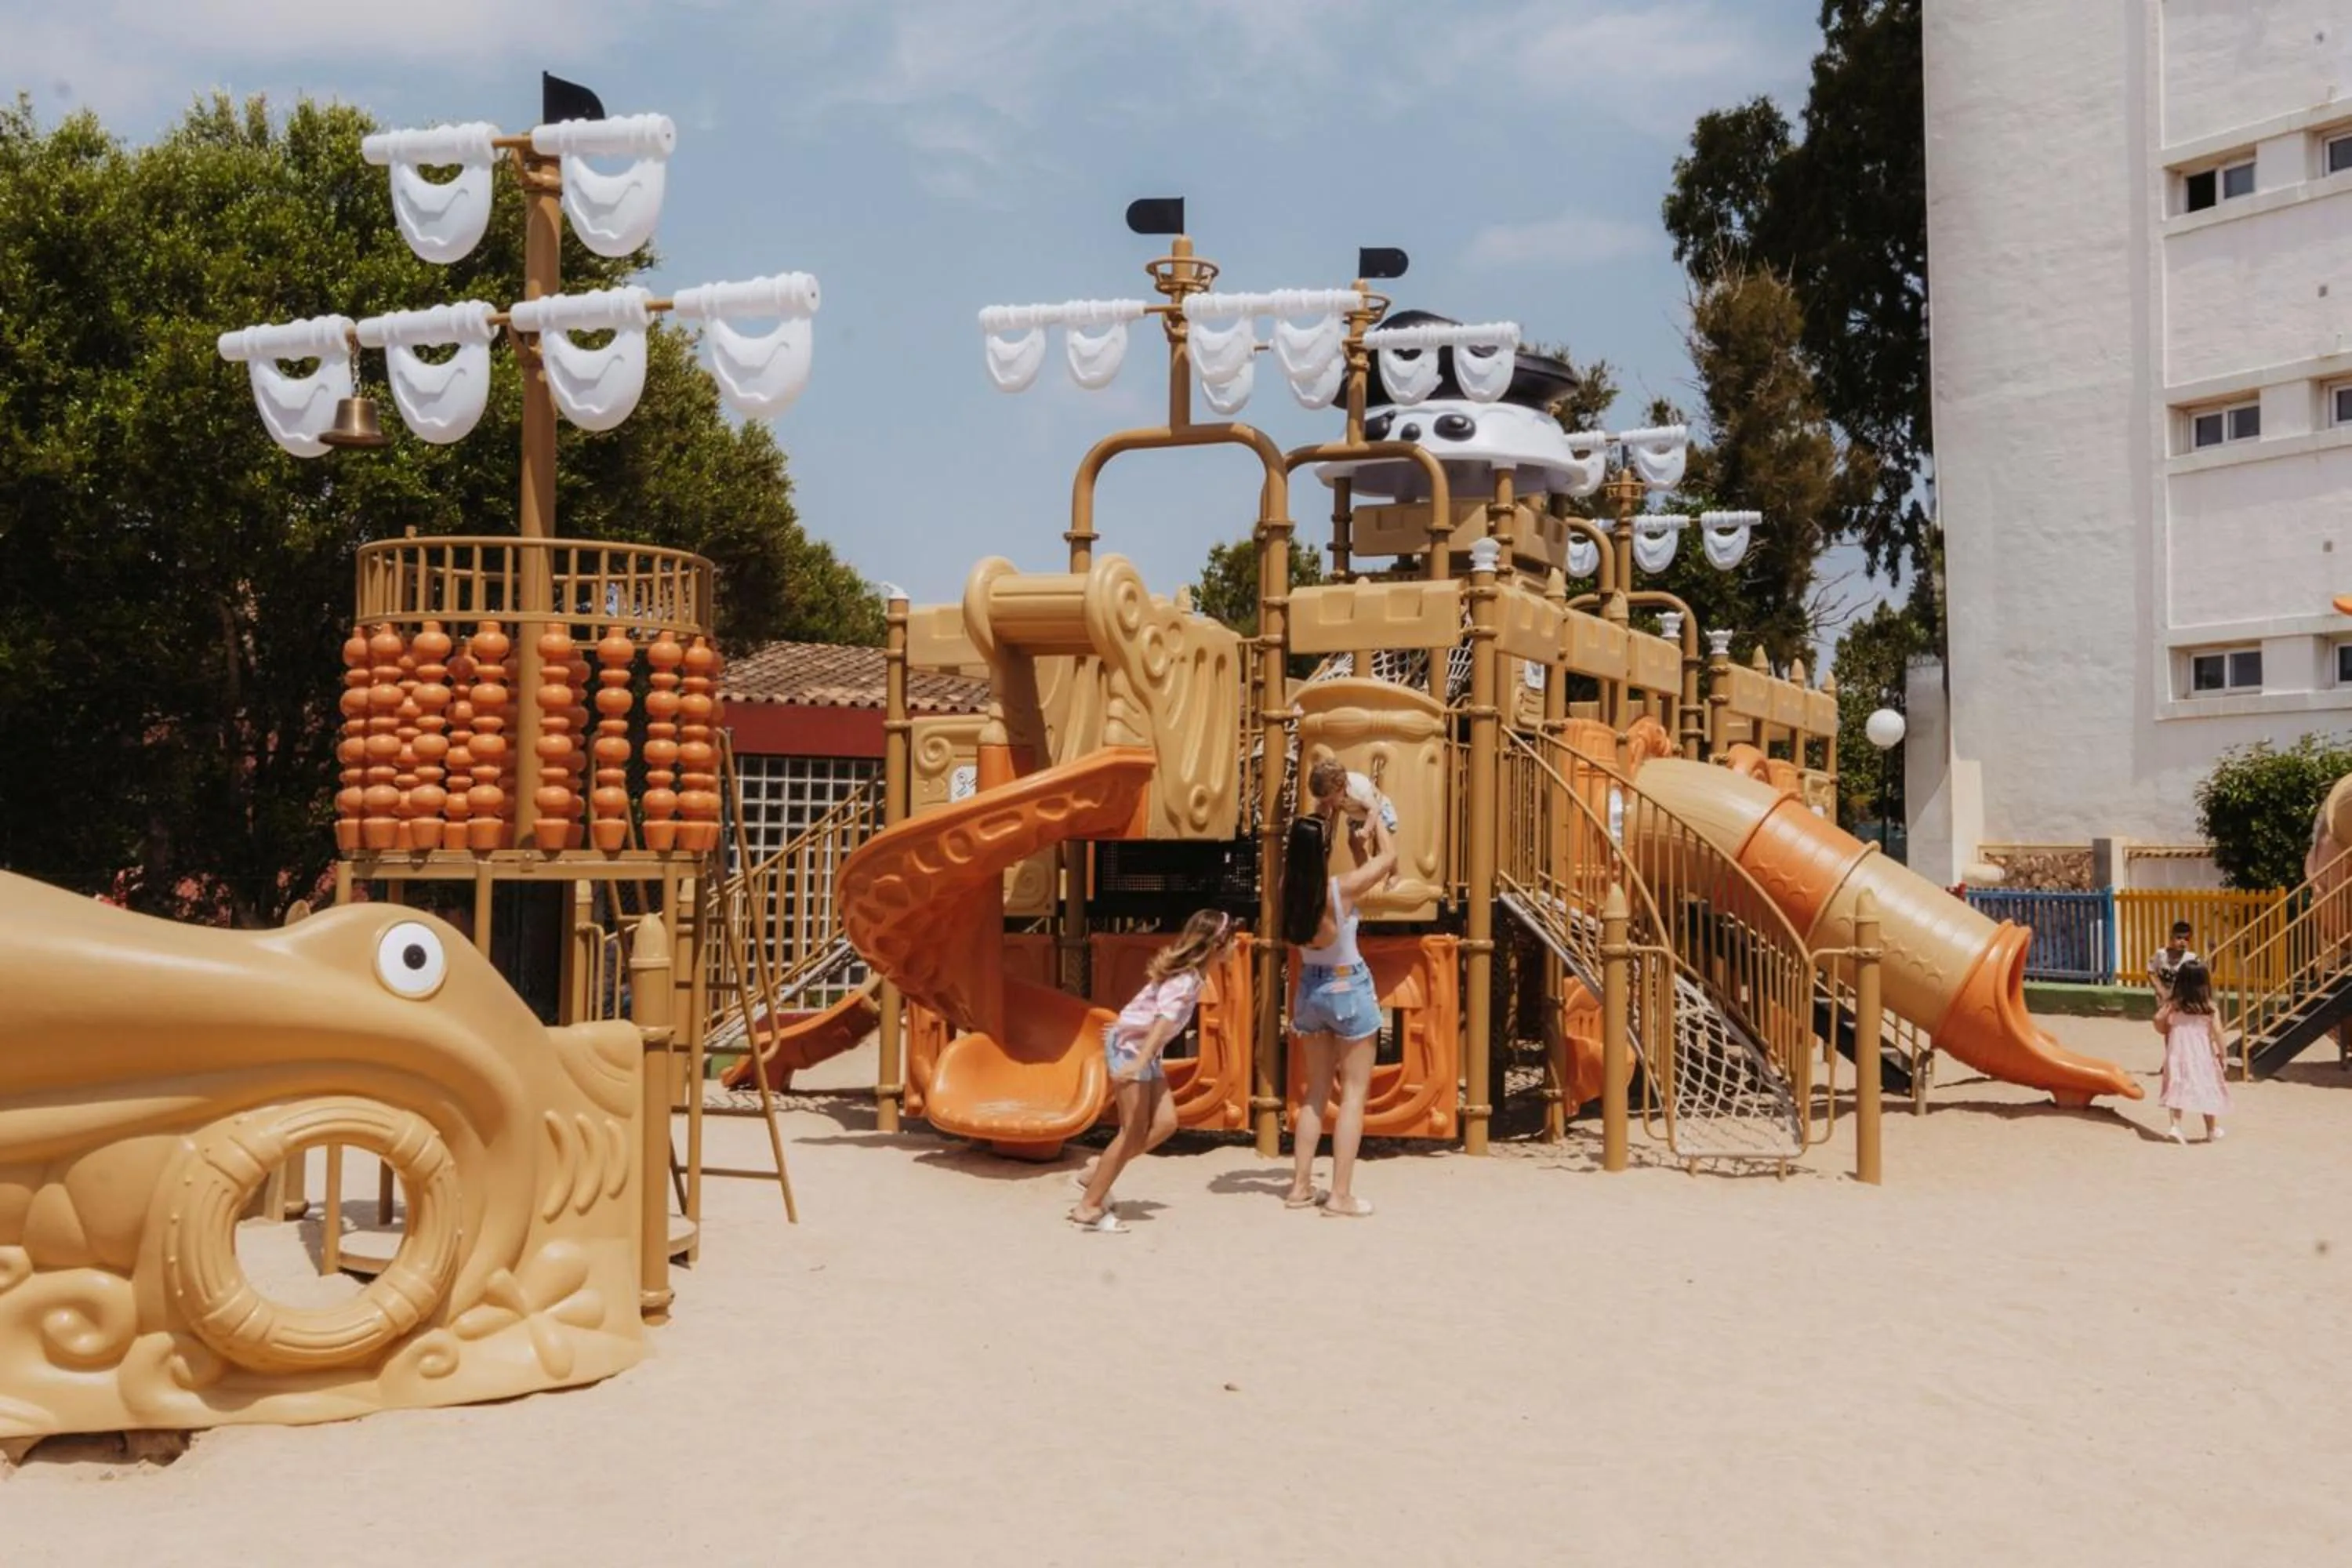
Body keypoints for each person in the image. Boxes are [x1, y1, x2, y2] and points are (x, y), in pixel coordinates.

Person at [1069, 909, 1240, 1233]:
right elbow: (1161, 1023)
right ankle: (1088, 1206)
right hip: (1135, 1051)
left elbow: (1144, 1009)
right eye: (1231, 940)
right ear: (1217, 944)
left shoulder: (1194, 974)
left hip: (1140, 1049)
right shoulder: (1186, 979)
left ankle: (1096, 1174)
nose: (1235, 946)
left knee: (1165, 1124)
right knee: (1132, 1130)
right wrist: (1134, 1059)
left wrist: (1125, 1029)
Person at [1282, 806, 1397, 1218]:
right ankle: (1340, 1194)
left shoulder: (1288, 891)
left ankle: (1299, 1187)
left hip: (1309, 988)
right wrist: (1378, 818)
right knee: (1352, 1094)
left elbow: (1368, 878)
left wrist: (1354, 846)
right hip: (1348, 986)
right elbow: (1389, 862)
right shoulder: (1337, 888)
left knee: (1314, 1093)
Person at [2154, 959, 2230, 1144]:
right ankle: (2211, 1129)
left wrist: (2164, 1028)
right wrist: (2224, 1054)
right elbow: (2218, 1032)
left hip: (2177, 1051)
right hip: (2202, 1053)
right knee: (2207, 1086)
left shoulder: (2173, 1005)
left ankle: (2176, 1126)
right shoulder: (2210, 1007)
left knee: (2177, 1085)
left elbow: (2158, 1020)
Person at [1307, 756, 1400, 890]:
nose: (1327, 804)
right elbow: (1335, 815)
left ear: (1341, 787)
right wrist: (1329, 836)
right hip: (1357, 814)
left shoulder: (1358, 788)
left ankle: (1395, 873)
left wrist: (1366, 831)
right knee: (1354, 844)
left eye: (1329, 800)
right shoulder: (1337, 795)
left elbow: (1373, 809)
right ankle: (1366, 874)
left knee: (1384, 846)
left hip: (1378, 811)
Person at [2147, 921, 2198, 1003]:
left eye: (2186, 939)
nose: (2182, 942)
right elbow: (2151, 971)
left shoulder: (2191, 958)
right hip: (2163, 998)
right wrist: (2160, 989)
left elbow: (2205, 972)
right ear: (2171, 938)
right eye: (2179, 938)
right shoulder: (2161, 954)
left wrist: (2214, 958)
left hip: (2183, 1000)